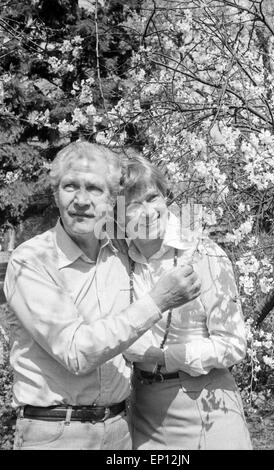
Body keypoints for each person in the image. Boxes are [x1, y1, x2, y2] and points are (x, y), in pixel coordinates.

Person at [3, 141, 200, 450]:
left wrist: (198, 245)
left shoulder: (120, 252)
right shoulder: (32, 261)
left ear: (111, 200)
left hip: (120, 429)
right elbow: (76, 353)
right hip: (57, 433)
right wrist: (158, 301)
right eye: (70, 186)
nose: (81, 200)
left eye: (94, 189)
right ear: (56, 195)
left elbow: (163, 222)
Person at [122, 155, 253, 450]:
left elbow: (233, 345)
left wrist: (161, 357)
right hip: (143, 409)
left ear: (166, 197)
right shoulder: (120, 262)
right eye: (133, 204)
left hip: (206, 404)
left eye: (152, 197)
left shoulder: (204, 254)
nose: (147, 212)